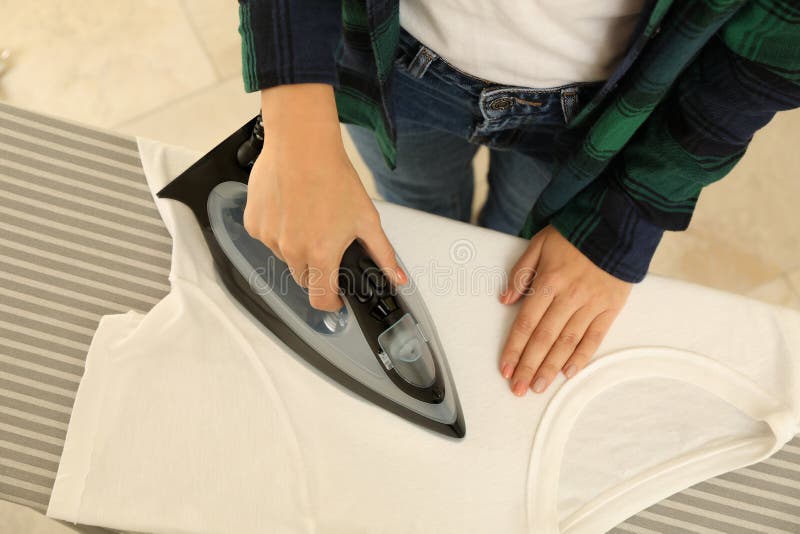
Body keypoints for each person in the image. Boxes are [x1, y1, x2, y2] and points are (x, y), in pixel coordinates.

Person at [236, 0, 800, 397]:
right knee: (417, 201)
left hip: (600, 110)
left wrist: (629, 211)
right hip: (390, 58)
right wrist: (296, 119)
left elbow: (775, 45)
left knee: (513, 251)